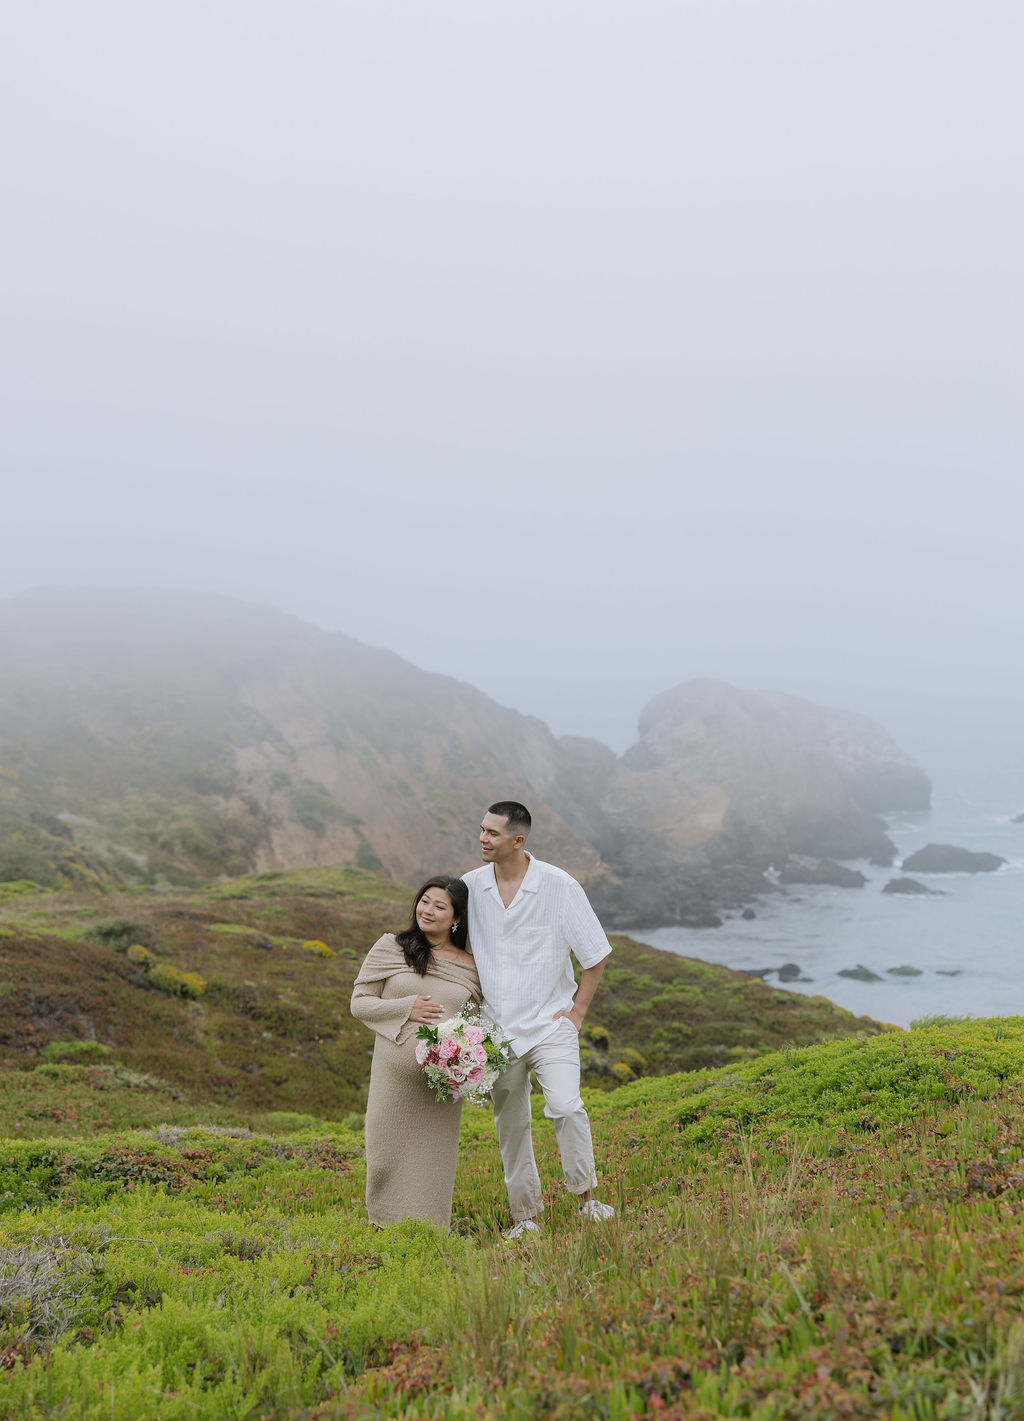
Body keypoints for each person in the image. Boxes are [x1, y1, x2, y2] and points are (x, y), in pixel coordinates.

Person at [463, 800, 616, 1239]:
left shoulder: (559, 885)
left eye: (492, 833)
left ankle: (587, 1199)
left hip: (552, 1026)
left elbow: (596, 954)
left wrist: (577, 1014)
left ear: (518, 840)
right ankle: (525, 1217)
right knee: (511, 1126)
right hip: (496, 1030)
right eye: (481, 830)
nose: (482, 838)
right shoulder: (470, 887)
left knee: (567, 1106)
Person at [350, 875, 481, 1228]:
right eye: (425, 901)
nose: (428, 910)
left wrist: (466, 1060)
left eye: (440, 906)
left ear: (456, 918)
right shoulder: (392, 947)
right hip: (393, 1078)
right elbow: (359, 1004)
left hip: (440, 1087)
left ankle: (429, 1232)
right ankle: (381, 1224)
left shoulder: (473, 965)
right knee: (383, 1159)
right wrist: (407, 1006)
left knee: (431, 1162)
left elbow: (477, 1023)